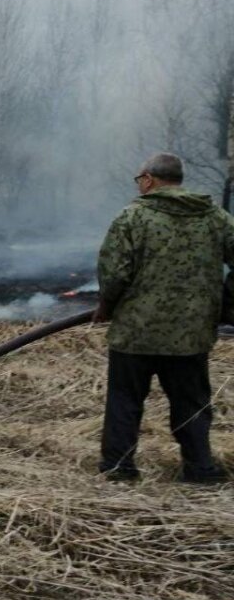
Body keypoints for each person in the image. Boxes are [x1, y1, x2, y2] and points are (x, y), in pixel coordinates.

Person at [94, 153, 233, 483]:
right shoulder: (214, 217)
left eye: (139, 179)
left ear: (148, 180)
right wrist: (227, 302)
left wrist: (106, 305)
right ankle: (200, 470)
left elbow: (114, 273)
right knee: (192, 403)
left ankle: (118, 470)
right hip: (190, 334)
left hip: (135, 332)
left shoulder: (132, 218)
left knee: (125, 401)